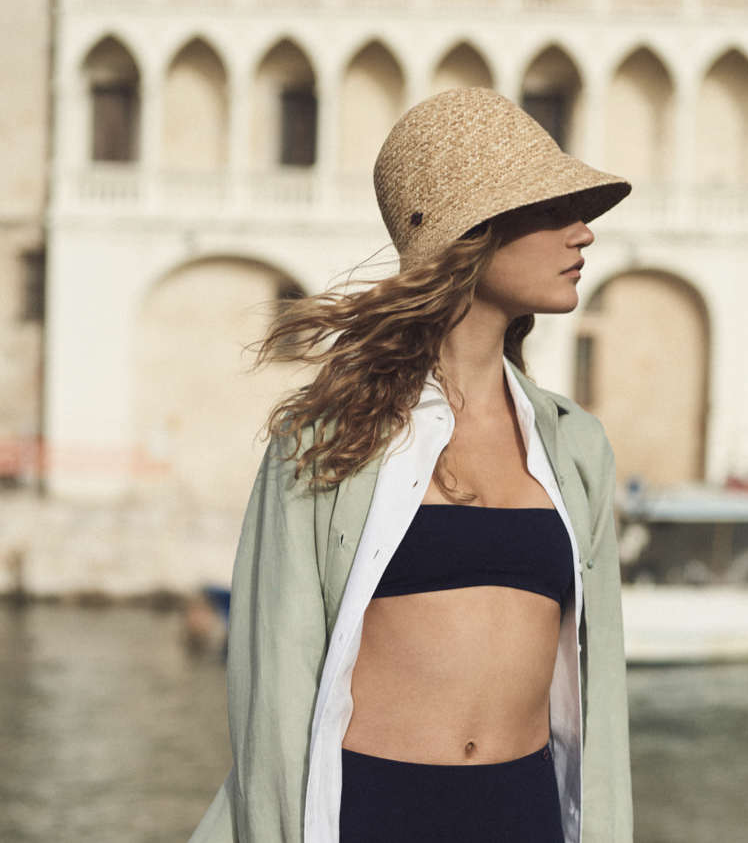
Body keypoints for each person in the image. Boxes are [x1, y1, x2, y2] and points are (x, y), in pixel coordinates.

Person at [190, 87, 633, 843]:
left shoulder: (576, 445)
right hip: (374, 813)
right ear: (473, 232)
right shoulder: (325, 438)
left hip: (527, 816)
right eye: (552, 210)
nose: (584, 234)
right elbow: (275, 689)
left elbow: (603, 701)